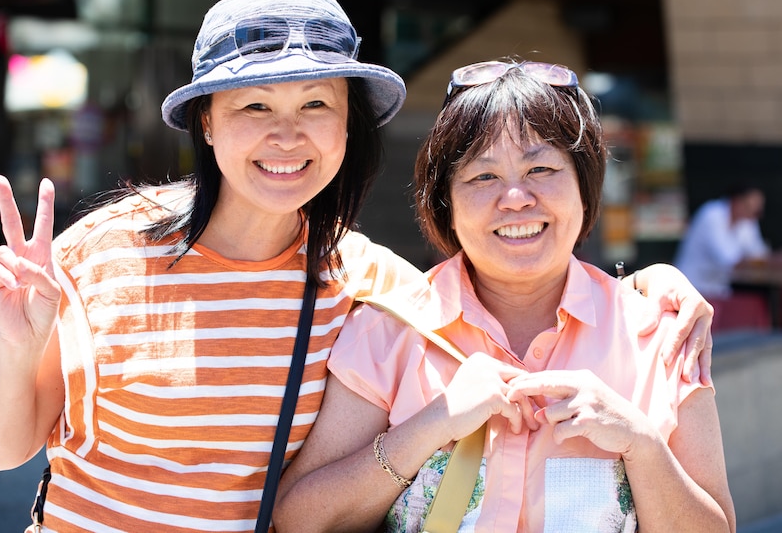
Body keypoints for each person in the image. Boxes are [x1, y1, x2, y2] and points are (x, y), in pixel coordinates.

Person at [0, 0, 712, 532]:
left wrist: (650, 286)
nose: (288, 137)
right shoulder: (101, 252)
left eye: (315, 105)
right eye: (256, 106)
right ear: (207, 124)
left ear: (347, 128)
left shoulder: (367, 282)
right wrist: (18, 348)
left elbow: (503, 282)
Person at [273, 59, 735, 533]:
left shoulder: (661, 336)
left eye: (541, 168)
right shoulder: (387, 330)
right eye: (483, 176)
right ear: (445, 204)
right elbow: (301, 521)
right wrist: (428, 427)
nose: (515, 197)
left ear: (584, 188)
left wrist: (641, 444)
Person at [674, 184, 777, 331]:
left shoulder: (747, 220)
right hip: (694, 291)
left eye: (757, 210)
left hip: (719, 292)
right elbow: (731, 261)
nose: (754, 214)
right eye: (750, 207)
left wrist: (767, 260)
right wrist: (769, 260)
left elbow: (758, 254)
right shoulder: (712, 215)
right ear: (736, 201)